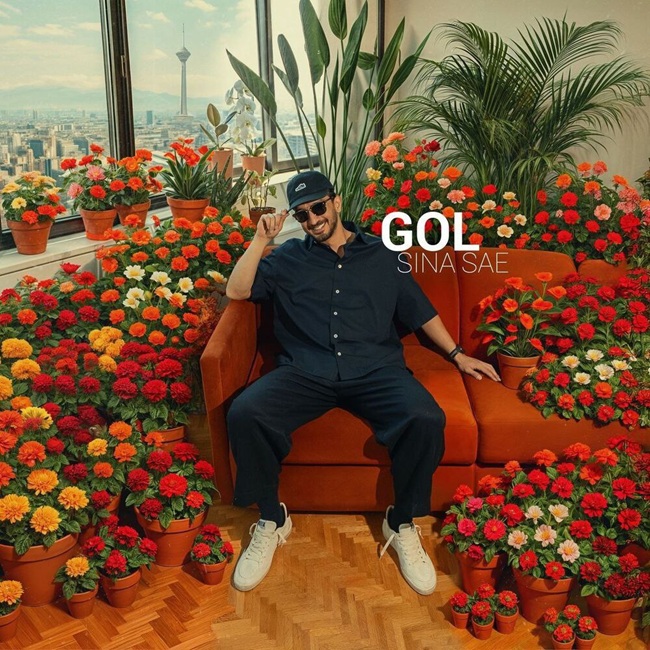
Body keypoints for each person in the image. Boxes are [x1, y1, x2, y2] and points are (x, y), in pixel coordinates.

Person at [225, 170, 500, 594]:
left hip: (375, 369)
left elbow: (420, 310)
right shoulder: (286, 258)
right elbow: (237, 291)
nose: (312, 219)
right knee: (245, 412)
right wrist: (261, 240)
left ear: (336, 202)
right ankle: (271, 519)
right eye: (302, 214)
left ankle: (401, 522)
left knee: (426, 417)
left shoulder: (384, 254)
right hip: (306, 370)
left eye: (318, 207)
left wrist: (457, 354)